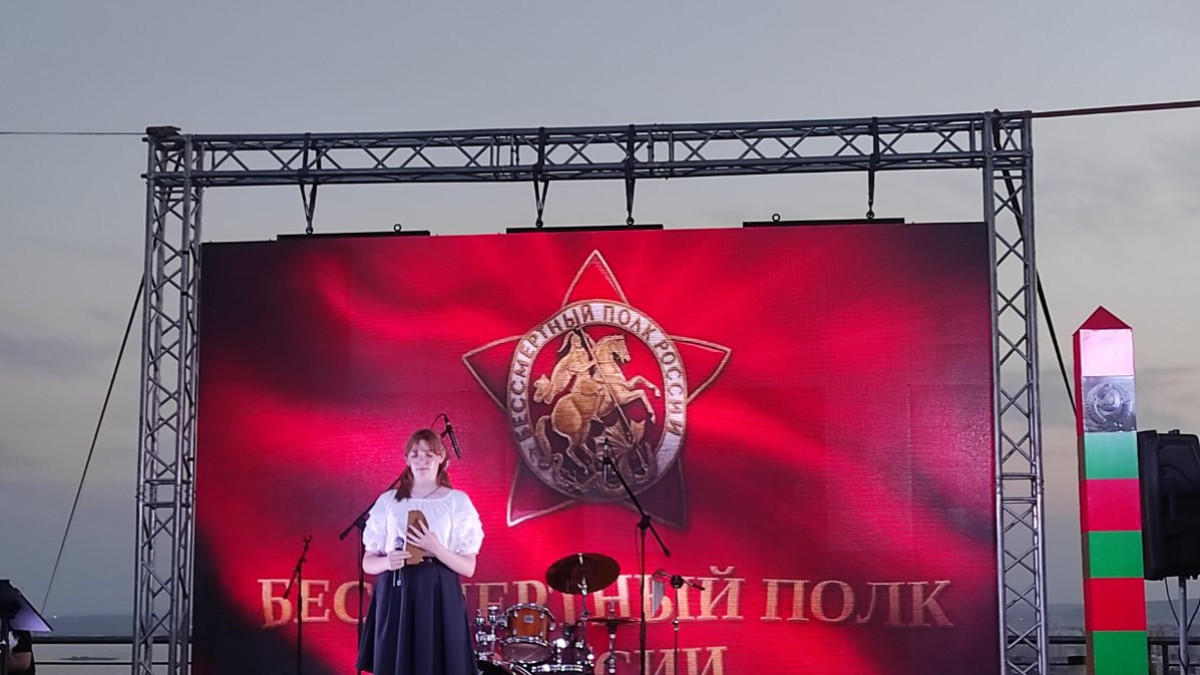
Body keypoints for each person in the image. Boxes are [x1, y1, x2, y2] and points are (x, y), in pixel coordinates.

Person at [357, 427, 484, 675]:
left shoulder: (457, 501)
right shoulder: (388, 500)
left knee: (438, 662)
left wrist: (435, 548)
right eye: (415, 454)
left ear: (441, 458)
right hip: (397, 589)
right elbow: (368, 562)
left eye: (428, 454)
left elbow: (468, 567)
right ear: (406, 459)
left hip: (438, 589)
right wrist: (388, 562)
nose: (421, 460)